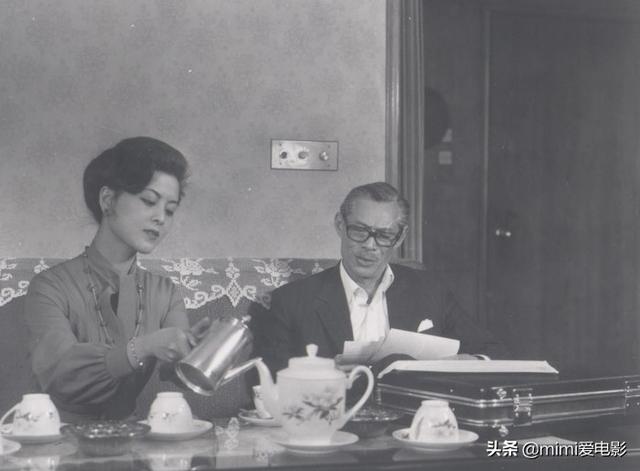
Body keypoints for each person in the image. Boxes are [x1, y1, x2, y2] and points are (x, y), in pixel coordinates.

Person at [24, 137, 209, 423]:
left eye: (170, 210)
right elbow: (61, 374)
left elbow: (176, 372)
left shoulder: (164, 292)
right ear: (108, 200)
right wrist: (143, 347)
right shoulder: (48, 286)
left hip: (131, 438)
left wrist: (201, 350)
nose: (161, 218)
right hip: (57, 438)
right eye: (149, 201)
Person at [254, 182, 507, 375]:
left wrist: (464, 362)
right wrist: (326, 374)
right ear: (340, 225)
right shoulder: (291, 301)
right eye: (359, 231)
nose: (370, 246)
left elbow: (494, 351)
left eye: (384, 236)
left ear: (400, 237)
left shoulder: (430, 291)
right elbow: (269, 380)